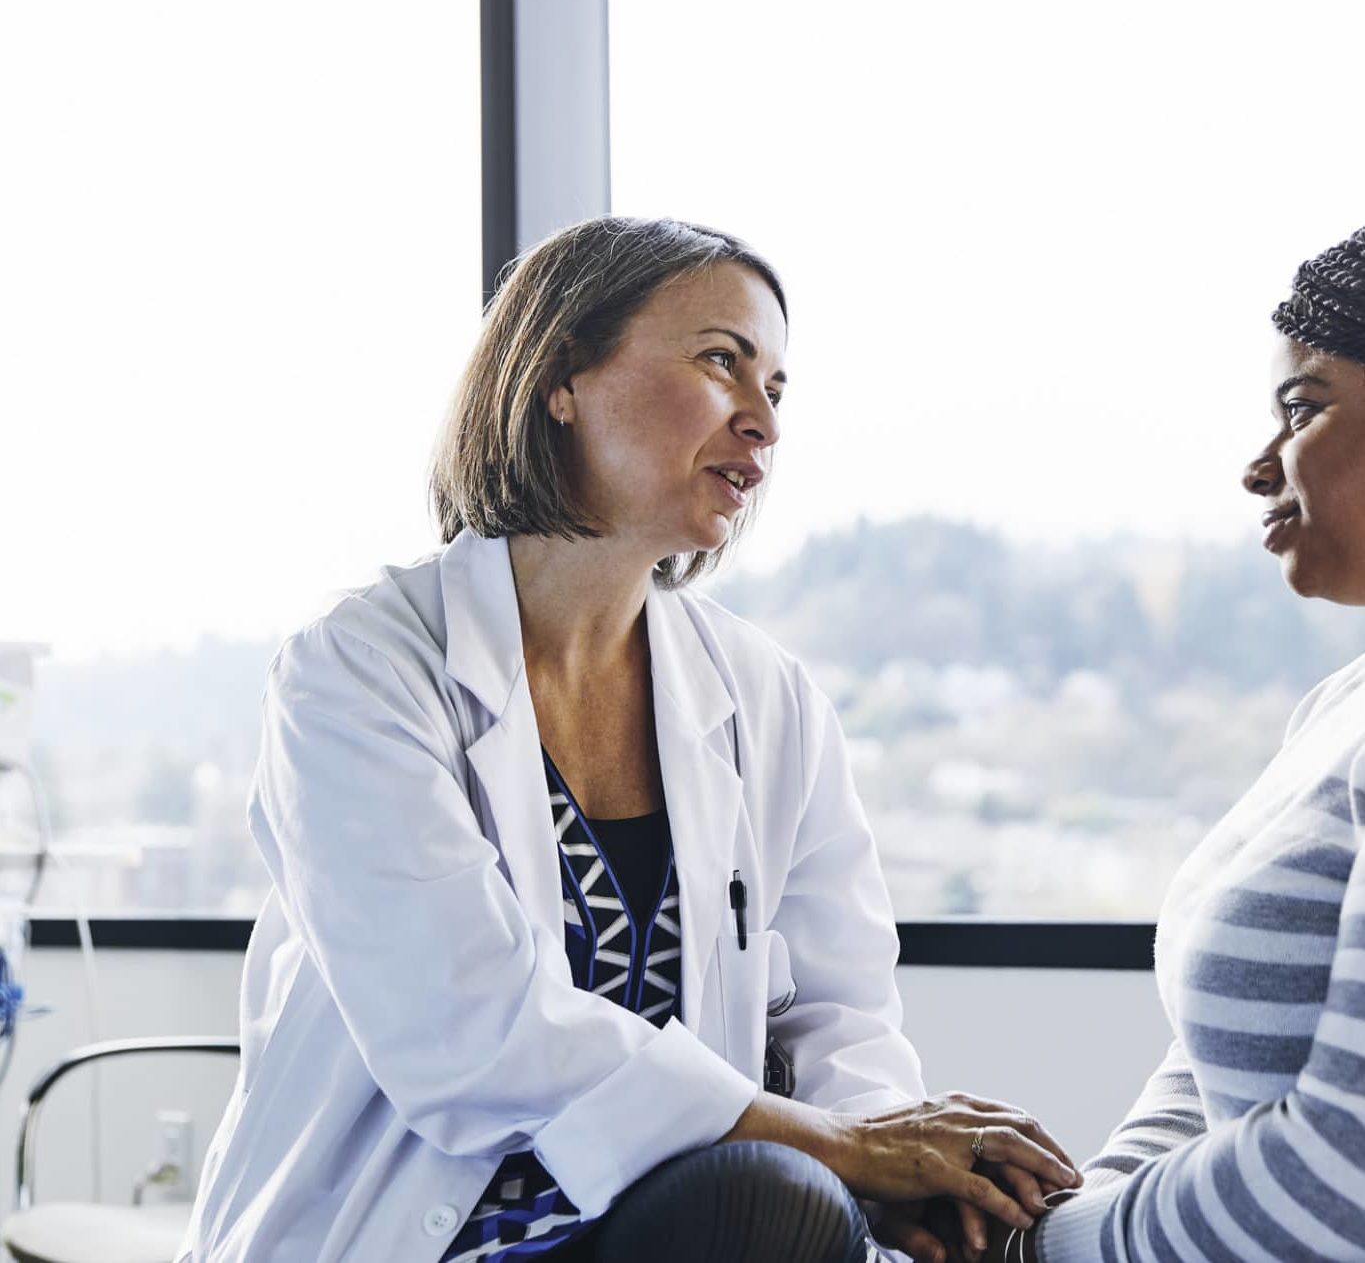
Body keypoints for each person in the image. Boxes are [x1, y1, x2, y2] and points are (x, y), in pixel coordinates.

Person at [178, 216, 1077, 1263]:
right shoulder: (363, 671)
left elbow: (844, 1014)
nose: (763, 425)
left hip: (661, 1225)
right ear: (561, 377)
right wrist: (843, 1147)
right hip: (410, 1235)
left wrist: (895, 1166)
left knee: (903, 1211)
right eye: (720, 363)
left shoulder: (767, 698)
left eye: (776, 389)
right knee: (777, 1194)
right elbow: (468, 1034)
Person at [985, 223, 1365, 1262]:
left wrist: (1044, 1252)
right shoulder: (1339, 706)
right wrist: (1052, 1227)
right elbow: (1205, 1074)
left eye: (1302, 408)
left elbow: (1342, 1185)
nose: (1258, 468)